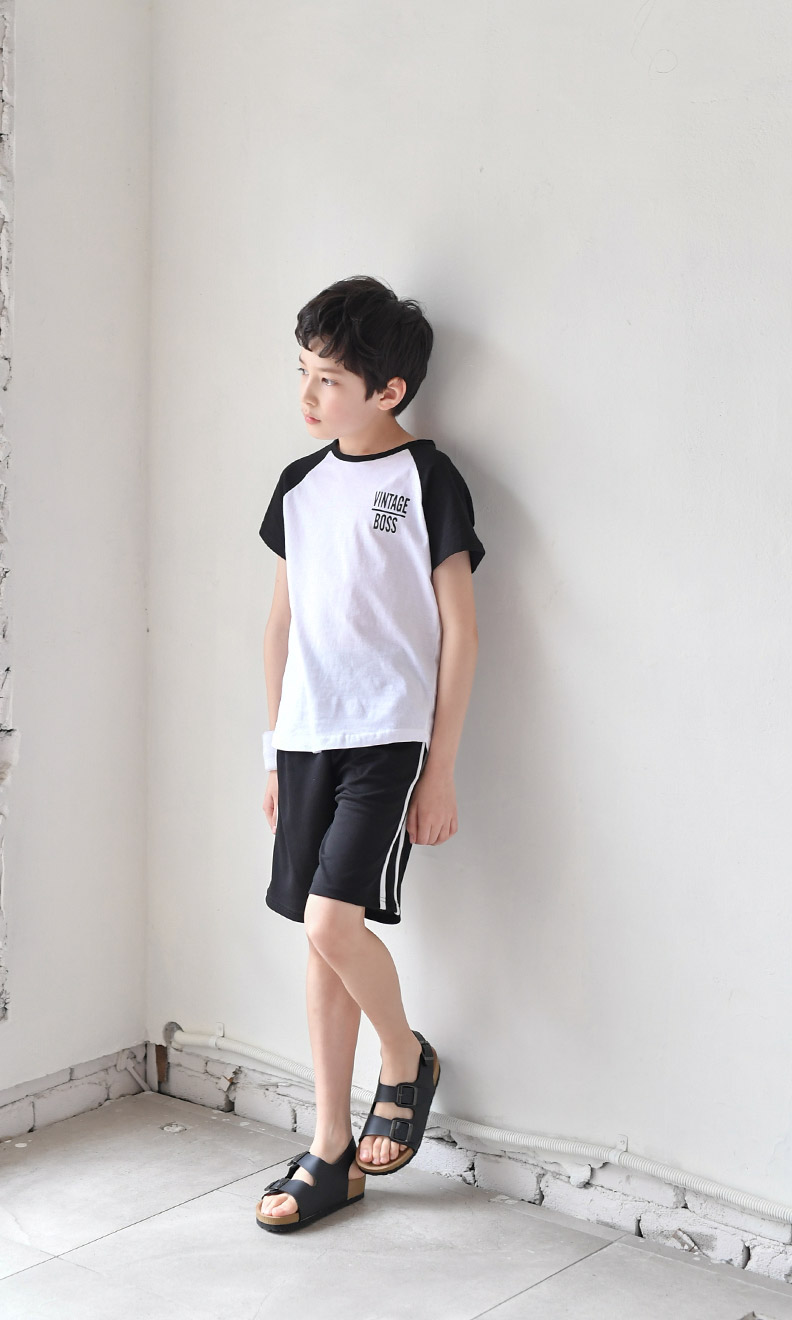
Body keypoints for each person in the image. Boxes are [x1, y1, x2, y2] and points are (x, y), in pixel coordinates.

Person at [255, 275, 485, 1233]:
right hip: (307, 737)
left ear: (388, 390)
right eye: (303, 372)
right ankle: (330, 1151)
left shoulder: (426, 480)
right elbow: (280, 626)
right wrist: (274, 753)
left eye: (329, 380)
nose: (308, 396)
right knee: (321, 936)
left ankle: (404, 1057)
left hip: (386, 738)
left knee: (330, 922)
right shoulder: (299, 486)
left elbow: (460, 632)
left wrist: (441, 768)